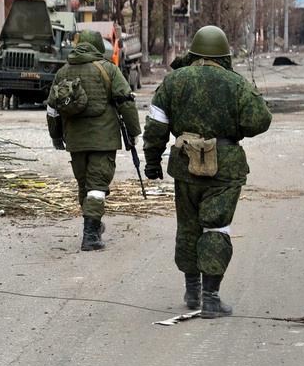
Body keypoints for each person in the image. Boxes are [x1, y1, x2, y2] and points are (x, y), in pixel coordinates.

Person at [143, 25, 272, 318]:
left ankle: (191, 291)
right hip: (224, 168)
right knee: (215, 226)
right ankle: (211, 298)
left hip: (185, 166)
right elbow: (260, 121)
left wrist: (152, 162)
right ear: (225, 54)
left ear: (194, 52)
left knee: (188, 226)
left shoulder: (173, 82)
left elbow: (156, 127)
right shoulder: (236, 84)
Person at [46, 29, 141, 251]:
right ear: (99, 47)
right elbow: (126, 102)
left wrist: (56, 136)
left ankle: (93, 226)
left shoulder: (63, 72)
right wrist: (133, 132)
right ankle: (90, 236)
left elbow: (52, 108)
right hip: (103, 139)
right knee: (97, 186)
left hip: (75, 140)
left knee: (84, 185)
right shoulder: (108, 69)